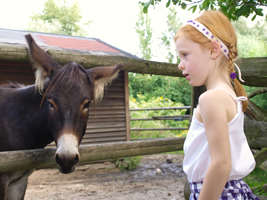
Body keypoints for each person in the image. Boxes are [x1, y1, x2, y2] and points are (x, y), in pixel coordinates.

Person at [174, 10, 259, 200]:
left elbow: (221, 163)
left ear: (213, 50)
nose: (180, 64)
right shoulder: (228, 94)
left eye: (185, 54)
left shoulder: (211, 98)